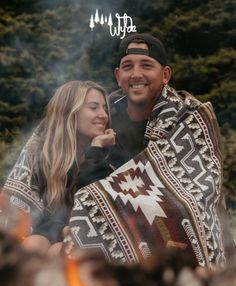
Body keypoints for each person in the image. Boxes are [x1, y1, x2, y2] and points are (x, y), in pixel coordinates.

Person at [66, 33, 229, 270]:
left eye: (146, 66)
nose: (136, 75)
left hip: (174, 236)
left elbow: (198, 194)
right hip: (117, 231)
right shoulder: (103, 117)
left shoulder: (189, 117)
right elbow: (82, 190)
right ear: (118, 76)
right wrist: (96, 150)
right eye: (127, 66)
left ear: (165, 75)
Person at [2, 80, 116, 254]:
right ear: (69, 112)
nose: (104, 115)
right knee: (33, 245)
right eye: (94, 107)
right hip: (47, 233)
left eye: (104, 108)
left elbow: (90, 207)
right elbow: (32, 216)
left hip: (89, 243)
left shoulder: (105, 162)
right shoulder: (41, 154)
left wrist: (96, 149)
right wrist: (61, 229)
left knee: (59, 251)